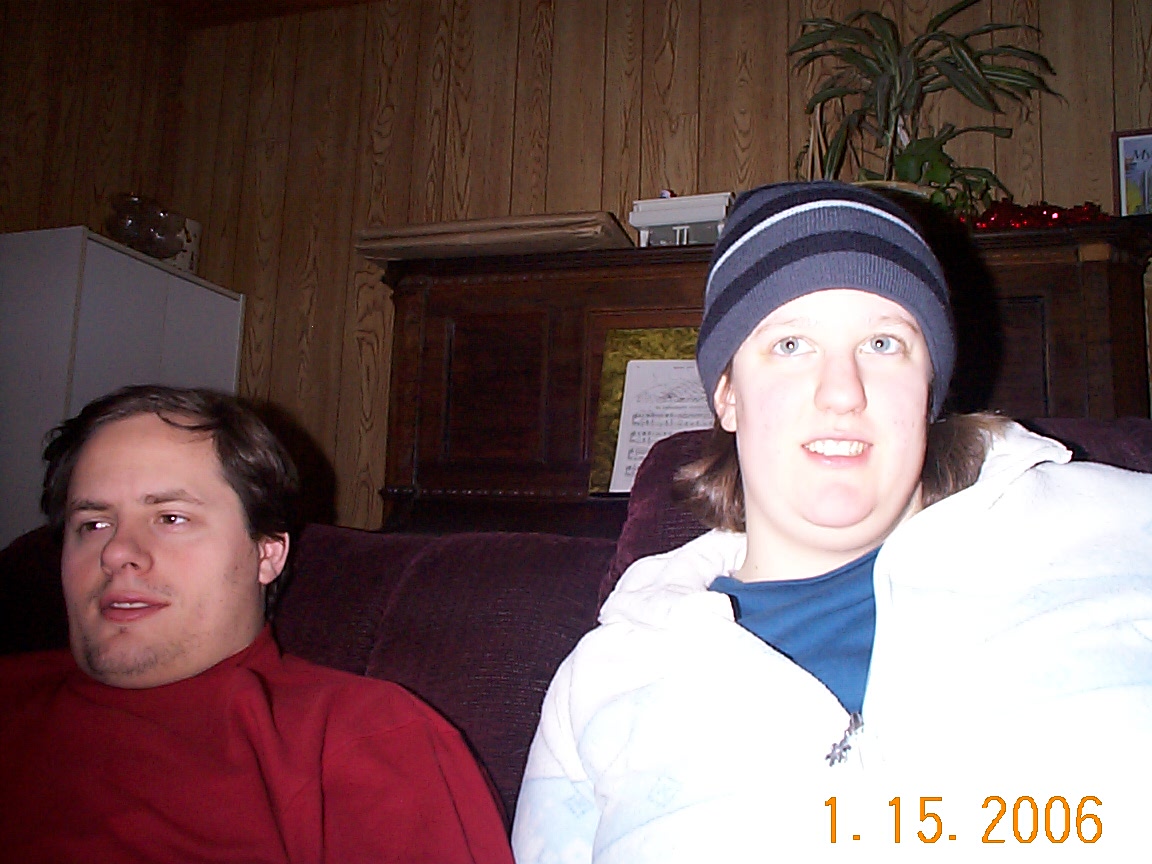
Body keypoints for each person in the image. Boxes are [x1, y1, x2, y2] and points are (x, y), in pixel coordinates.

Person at [512, 181, 1152, 862]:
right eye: (791, 344)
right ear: (728, 395)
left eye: (883, 342)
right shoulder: (603, 680)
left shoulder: (1119, 529)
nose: (842, 392)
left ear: (929, 390)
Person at [0, 385, 513, 864]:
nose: (115, 552)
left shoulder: (367, 739)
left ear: (267, 553)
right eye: (93, 524)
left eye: (171, 518)